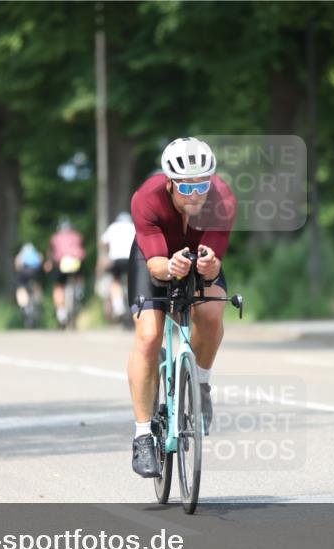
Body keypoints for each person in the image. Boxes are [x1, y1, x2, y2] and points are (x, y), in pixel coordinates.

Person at [126, 137, 236, 477]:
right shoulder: (147, 198)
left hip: (197, 258)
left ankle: (201, 384)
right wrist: (170, 266)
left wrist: (210, 267)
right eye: (186, 188)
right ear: (170, 183)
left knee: (212, 312)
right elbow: (156, 264)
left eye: (202, 185)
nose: (195, 195)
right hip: (155, 258)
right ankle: (143, 435)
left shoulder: (223, 201)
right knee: (148, 336)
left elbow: (215, 264)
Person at [46, 218, 85, 329]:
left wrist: (49, 262)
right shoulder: (77, 235)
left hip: (62, 263)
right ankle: (79, 289)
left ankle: (61, 314)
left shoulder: (55, 237)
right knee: (80, 274)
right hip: (76, 262)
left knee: (58, 287)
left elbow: (52, 252)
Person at [100, 211, 137, 322]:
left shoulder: (112, 227)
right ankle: (135, 304)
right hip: (131, 259)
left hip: (115, 259)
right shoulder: (133, 227)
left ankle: (119, 307)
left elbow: (103, 242)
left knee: (115, 281)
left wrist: (106, 253)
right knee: (133, 281)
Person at [14, 242, 45, 316]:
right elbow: (41, 261)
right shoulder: (36, 253)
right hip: (35, 272)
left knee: (21, 287)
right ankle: (38, 301)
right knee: (37, 285)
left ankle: (24, 305)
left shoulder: (21, 254)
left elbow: (17, 264)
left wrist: (18, 269)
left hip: (24, 272)